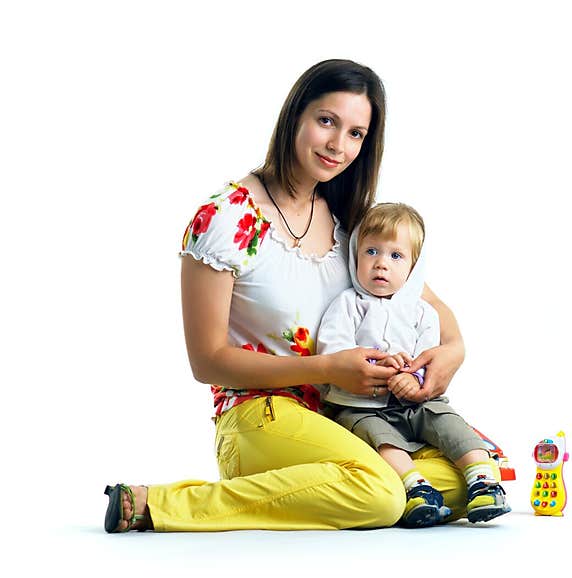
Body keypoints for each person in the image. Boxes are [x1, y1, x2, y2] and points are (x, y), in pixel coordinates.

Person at [103, 58, 484, 533]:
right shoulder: (225, 219)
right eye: (327, 121)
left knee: (479, 474)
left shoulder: (353, 222)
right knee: (384, 495)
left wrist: (454, 352)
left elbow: (425, 302)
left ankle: (324, 487)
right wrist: (326, 368)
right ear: (294, 116)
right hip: (259, 415)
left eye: (355, 134)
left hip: (351, 418)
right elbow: (207, 362)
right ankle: (159, 504)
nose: (338, 146)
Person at [317, 203, 511, 527]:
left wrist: (414, 377)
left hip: (416, 401)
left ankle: (483, 481)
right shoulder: (348, 304)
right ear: (354, 256)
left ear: (413, 267)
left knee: (449, 422)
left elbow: (427, 353)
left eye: (396, 256)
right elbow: (334, 349)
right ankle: (417, 489)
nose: (381, 264)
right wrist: (376, 360)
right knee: (378, 437)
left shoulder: (421, 311)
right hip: (362, 405)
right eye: (371, 251)